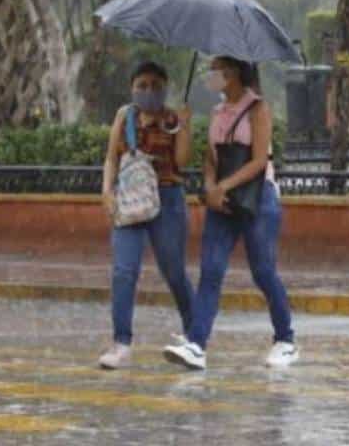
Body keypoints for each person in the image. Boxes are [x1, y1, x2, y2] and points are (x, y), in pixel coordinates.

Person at [163, 56, 298, 370]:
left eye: (216, 68)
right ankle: (197, 344)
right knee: (210, 270)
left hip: (257, 199)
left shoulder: (258, 109)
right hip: (221, 202)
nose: (210, 74)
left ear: (233, 72)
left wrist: (223, 185)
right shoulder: (217, 112)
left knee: (263, 272)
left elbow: (260, 160)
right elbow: (210, 157)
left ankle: (286, 340)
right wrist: (211, 186)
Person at [98, 61, 195, 369]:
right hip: (129, 201)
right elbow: (111, 158)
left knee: (174, 271)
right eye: (141, 85)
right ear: (132, 88)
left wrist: (186, 126)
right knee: (124, 271)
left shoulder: (173, 119)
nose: (148, 91)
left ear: (165, 88)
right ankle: (121, 343)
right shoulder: (124, 116)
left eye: (155, 85)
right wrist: (106, 191)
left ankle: (195, 335)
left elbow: (182, 161)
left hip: (167, 201)